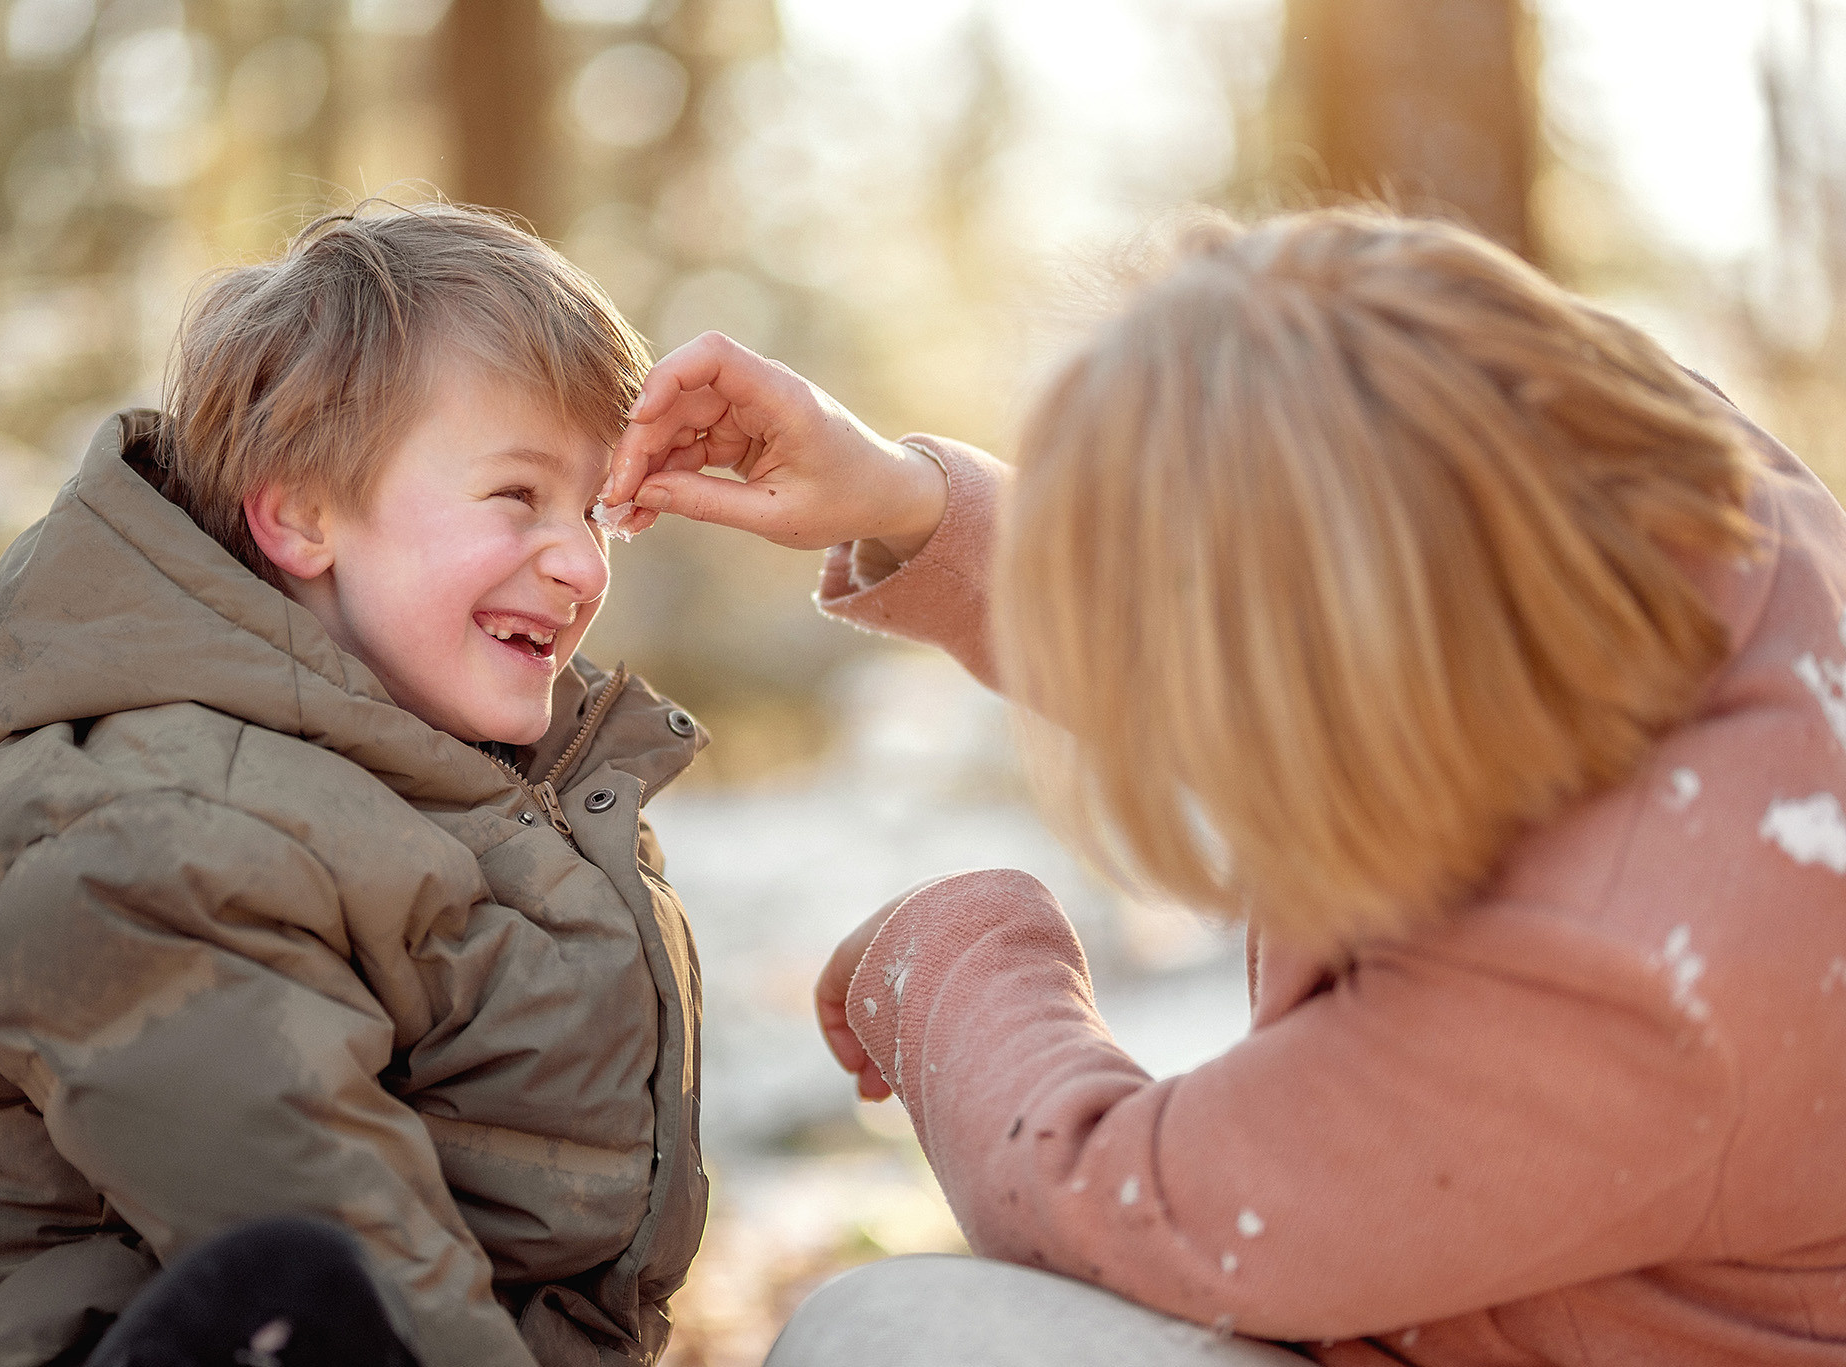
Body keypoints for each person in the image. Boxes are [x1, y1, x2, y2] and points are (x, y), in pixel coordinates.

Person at [601, 209, 1846, 1364]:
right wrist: (913, 502)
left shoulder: (1625, 976)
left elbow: (1114, 1197)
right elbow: (1289, 564)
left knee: (895, 1332)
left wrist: (955, 954)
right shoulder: (1640, 483)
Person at [0, 202, 711, 1367]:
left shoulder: (460, 800)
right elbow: (341, 1230)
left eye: (594, 509)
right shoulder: (149, 824)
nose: (583, 560)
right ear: (299, 512)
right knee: (297, 1283)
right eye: (516, 495)